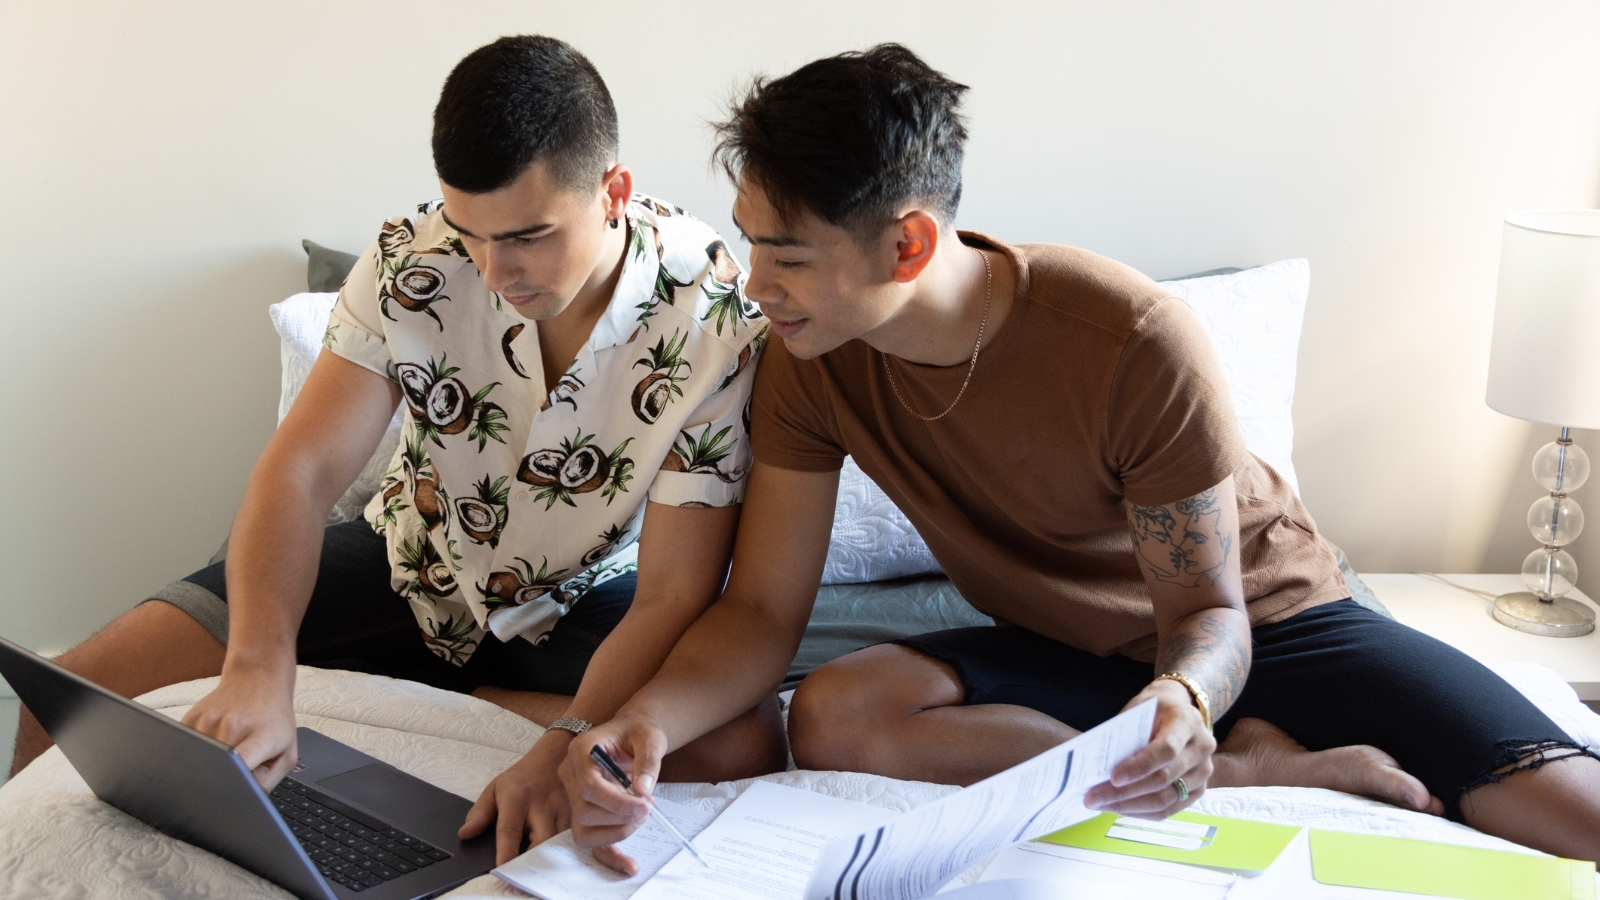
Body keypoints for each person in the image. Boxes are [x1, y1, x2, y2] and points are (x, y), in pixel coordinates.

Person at [561, 44, 1600, 873]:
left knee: (1567, 813)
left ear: (908, 246)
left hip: (1270, 624)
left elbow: (1207, 614)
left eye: (785, 254)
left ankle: (1217, 742)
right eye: (749, 244)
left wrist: (1182, 700)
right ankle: (1246, 770)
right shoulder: (808, 357)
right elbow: (758, 614)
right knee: (836, 715)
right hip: (1061, 642)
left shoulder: (1133, 340)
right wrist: (638, 722)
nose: (756, 284)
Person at [10, 35, 782, 866]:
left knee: (738, 743)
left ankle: (476, 698)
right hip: (412, 559)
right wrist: (259, 666)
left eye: (528, 236)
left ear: (613, 193)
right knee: (74, 688)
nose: (495, 271)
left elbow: (671, 592)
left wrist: (564, 737)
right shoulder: (410, 258)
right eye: (472, 233)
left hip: (582, 605)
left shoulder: (716, 319)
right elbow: (302, 474)